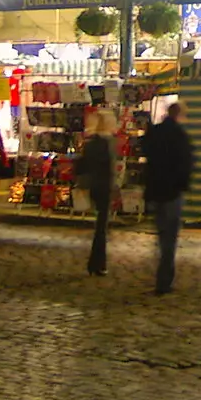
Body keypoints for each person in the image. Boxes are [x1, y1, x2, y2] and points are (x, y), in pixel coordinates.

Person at [142, 101, 193, 295]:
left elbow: (146, 152)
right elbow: (186, 163)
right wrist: (183, 184)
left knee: (162, 233)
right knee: (169, 237)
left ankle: (162, 275)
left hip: (156, 189)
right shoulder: (180, 136)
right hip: (172, 191)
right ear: (180, 116)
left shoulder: (155, 132)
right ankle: (164, 279)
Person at [80, 108, 119, 276]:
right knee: (101, 228)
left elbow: (82, 165)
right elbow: (108, 168)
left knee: (101, 226)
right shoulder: (107, 143)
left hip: (95, 186)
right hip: (103, 186)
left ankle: (96, 263)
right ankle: (97, 263)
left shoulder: (92, 142)